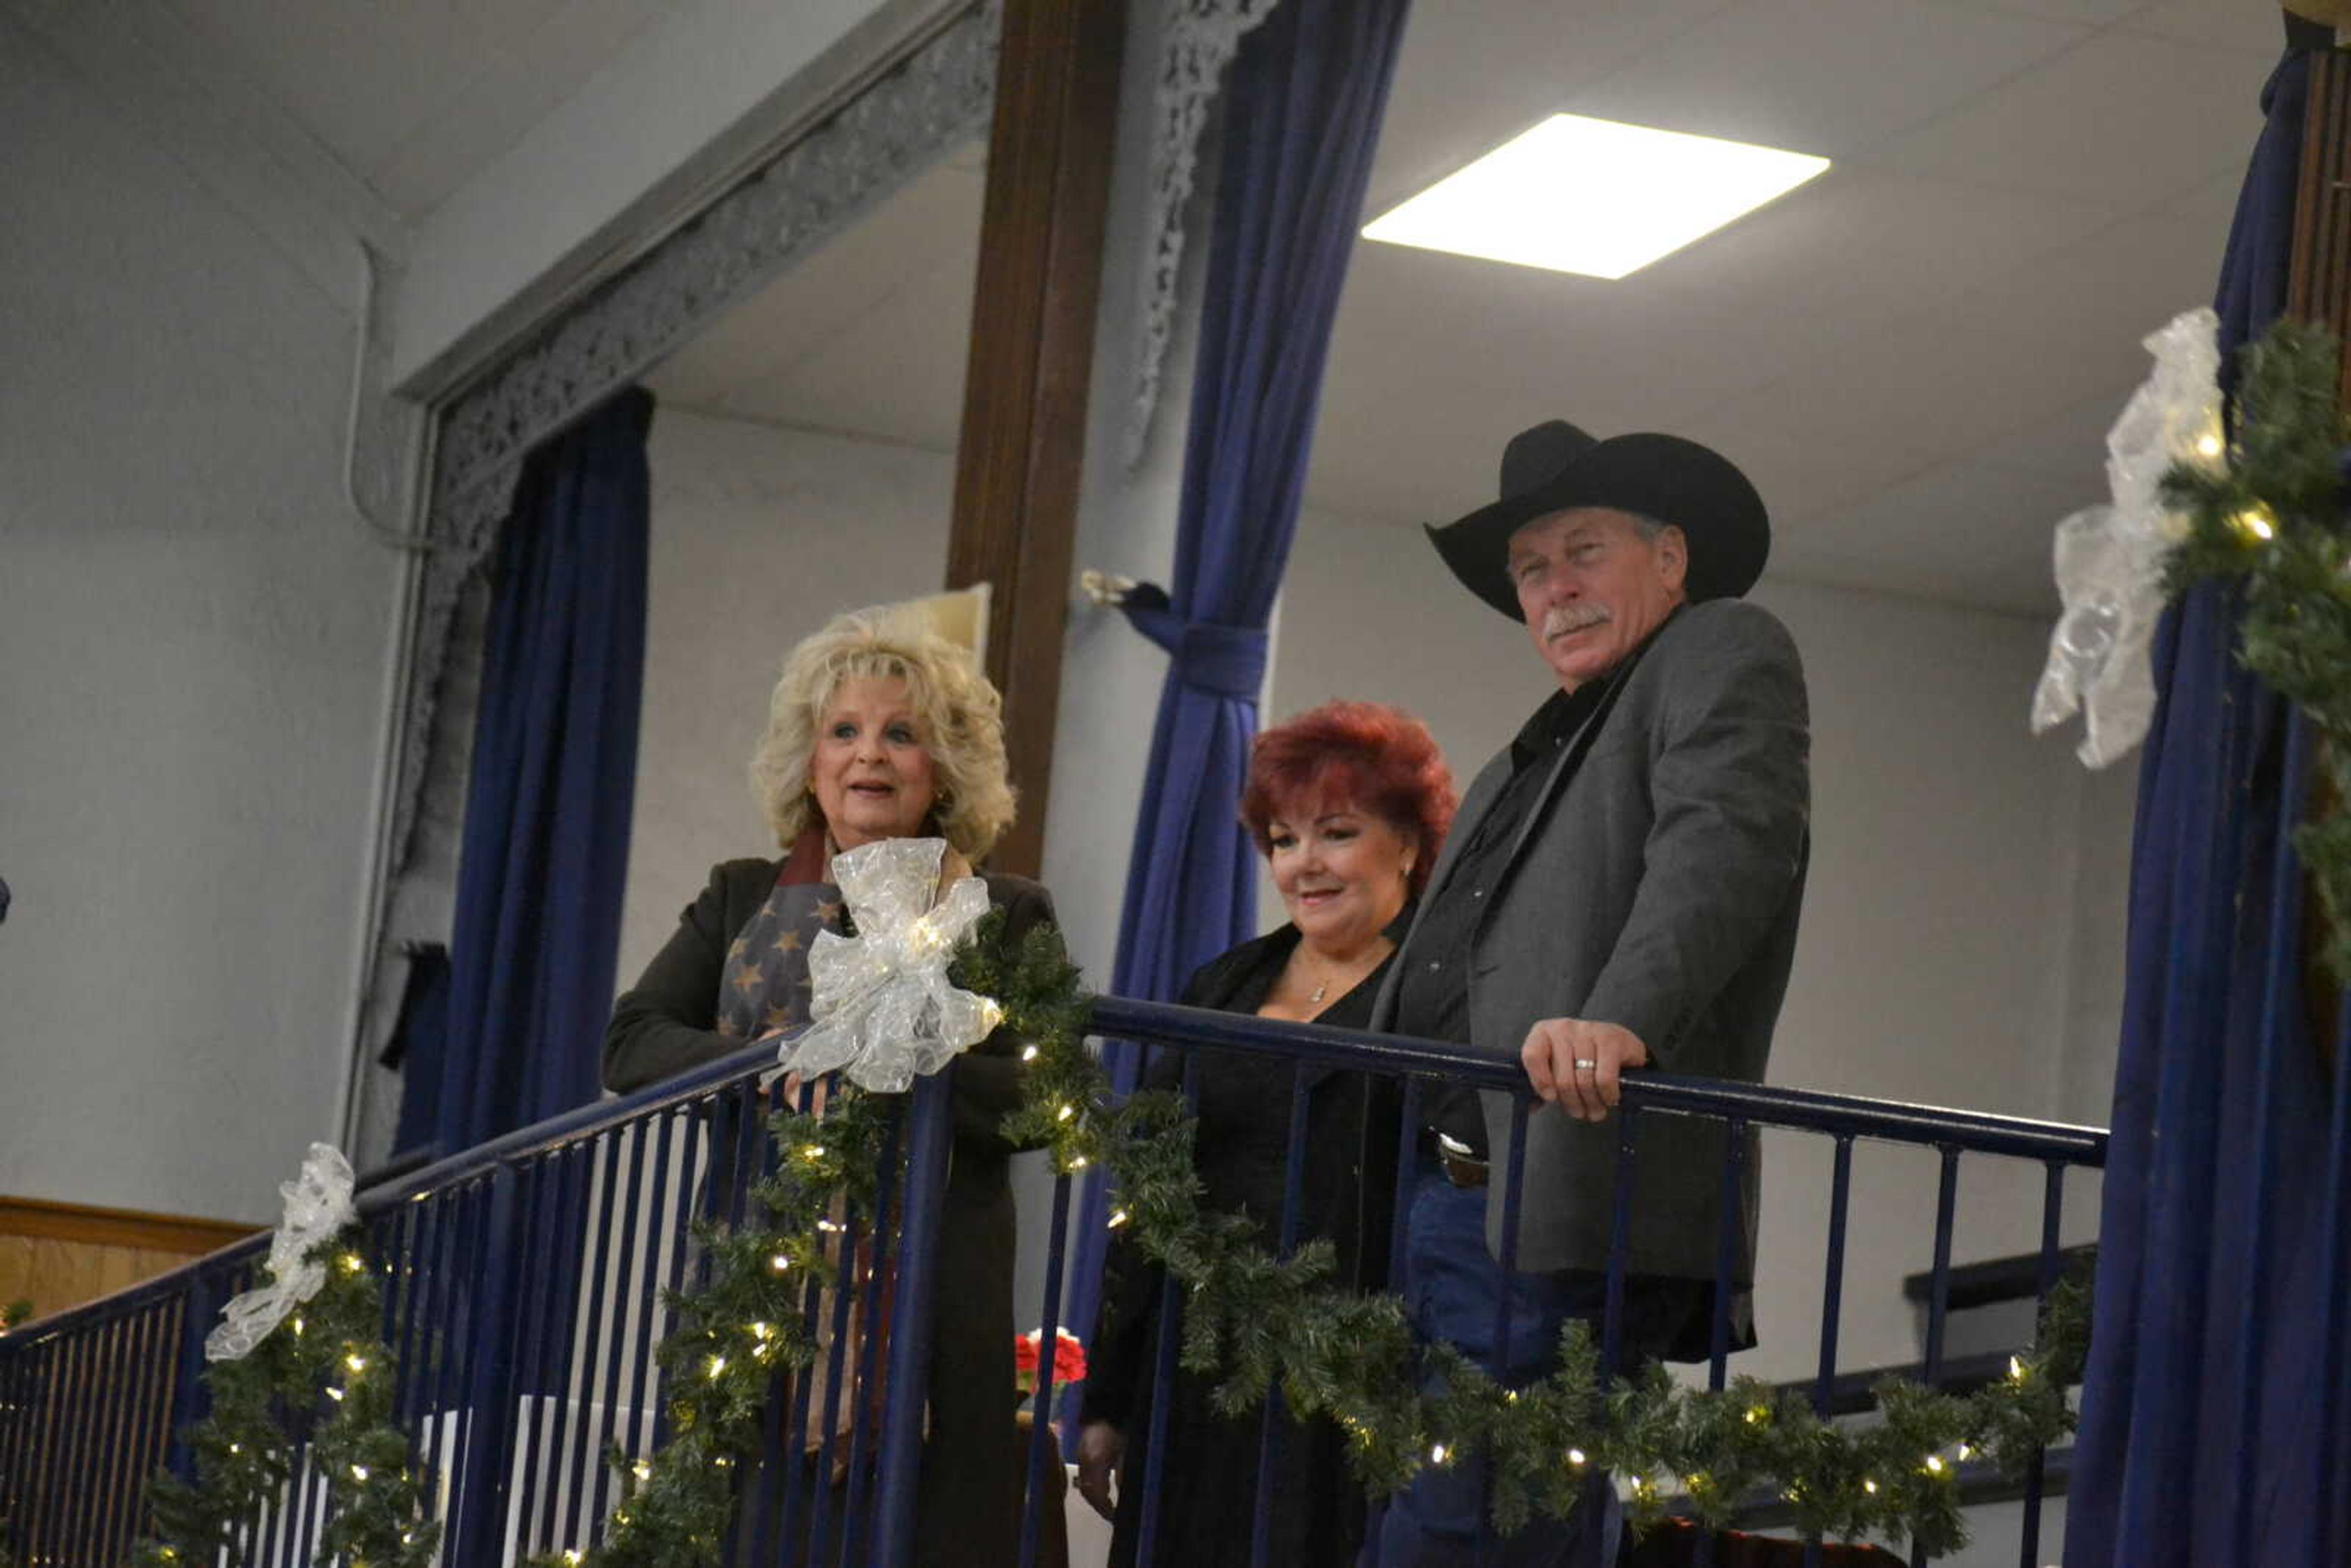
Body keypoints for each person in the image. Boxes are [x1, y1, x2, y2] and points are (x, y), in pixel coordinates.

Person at [1373, 421, 1811, 1566]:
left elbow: (1729, 843)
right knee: (1481, 1521)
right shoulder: (1535, 746)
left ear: (1669, 557)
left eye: (1583, 551)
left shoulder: (1720, 645)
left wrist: (1627, 1015)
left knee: (1472, 1524)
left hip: (1551, 1181)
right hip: (1441, 1196)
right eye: (1530, 568)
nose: (1554, 587)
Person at [604, 607, 1059, 1568]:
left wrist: (895, 1068)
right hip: (753, 1315)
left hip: (937, 1326)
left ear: (945, 769)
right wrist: (793, 1060)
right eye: (844, 731)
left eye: (903, 733)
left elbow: (1044, 1092)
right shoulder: (739, 895)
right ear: (809, 763)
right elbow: (632, 1042)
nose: (871, 755)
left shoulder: (1006, 914)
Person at [1073, 700, 1457, 1567]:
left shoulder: (1445, 998)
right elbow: (1149, 1196)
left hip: (1351, 1385)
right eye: (1284, 840)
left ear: (1408, 841)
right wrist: (1107, 1399)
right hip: (1194, 1368)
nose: (1305, 864)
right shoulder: (1222, 981)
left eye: (1337, 832)